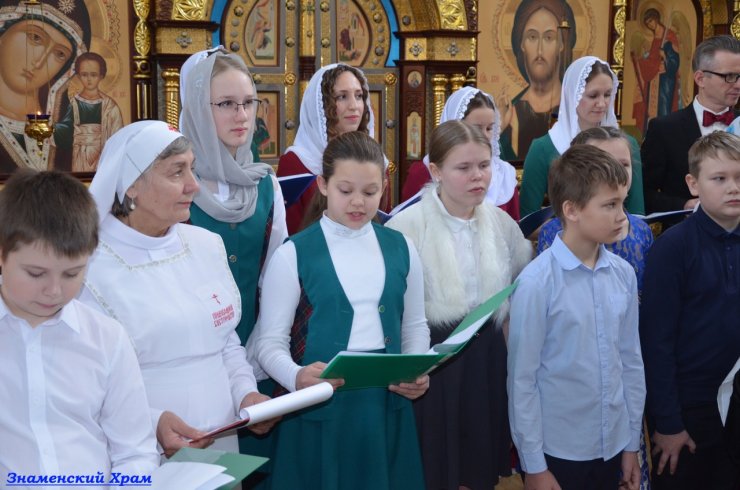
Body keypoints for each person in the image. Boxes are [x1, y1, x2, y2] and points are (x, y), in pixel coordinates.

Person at [80, 120, 277, 458]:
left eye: (192, 169)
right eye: (176, 172)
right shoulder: (87, 268)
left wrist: (246, 394)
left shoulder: (205, 245)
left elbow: (225, 343)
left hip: (221, 439)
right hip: (139, 447)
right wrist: (153, 422)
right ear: (132, 185)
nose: (193, 185)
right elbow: (86, 381)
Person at [257, 131, 430, 489]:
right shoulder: (293, 254)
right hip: (318, 410)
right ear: (323, 184)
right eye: (345, 190)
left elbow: (415, 325)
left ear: (384, 188)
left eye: (370, 192)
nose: (358, 202)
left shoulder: (402, 247)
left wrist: (416, 369)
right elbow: (269, 344)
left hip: (385, 407)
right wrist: (296, 377)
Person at [387, 120, 532, 489]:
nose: (477, 176)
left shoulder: (502, 224)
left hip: (486, 358)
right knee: (435, 466)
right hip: (433, 361)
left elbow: (517, 295)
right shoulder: (406, 227)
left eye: (484, 165)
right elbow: (391, 309)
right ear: (436, 171)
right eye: (463, 167)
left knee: (477, 467)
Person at [0, 169, 158, 484]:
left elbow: (135, 452)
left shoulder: (106, 338)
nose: (54, 291)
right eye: (36, 274)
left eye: (72, 274)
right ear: (2, 255)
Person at [508, 144, 646, 490]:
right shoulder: (537, 283)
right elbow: (522, 381)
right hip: (559, 450)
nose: (622, 216)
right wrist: (534, 466)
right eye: (609, 205)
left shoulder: (623, 274)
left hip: (613, 444)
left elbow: (630, 362)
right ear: (571, 210)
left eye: (623, 203)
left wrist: (631, 443)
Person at [640, 131, 740, 490]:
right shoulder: (673, 248)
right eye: (720, 179)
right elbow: (656, 343)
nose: (733, 188)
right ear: (693, 184)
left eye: (739, 177)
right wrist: (668, 422)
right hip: (688, 407)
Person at [520, 56, 645, 217]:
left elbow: (637, 212)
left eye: (607, 94)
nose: (602, 103)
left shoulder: (628, 144)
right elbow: (528, 219)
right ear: (573, 95)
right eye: (593, 96)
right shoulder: (543, 148)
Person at [538, 126, 654, 292]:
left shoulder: (641, 231)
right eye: (604, 163)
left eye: (624, 164)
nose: (616, 172)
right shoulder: (555, 232)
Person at [277, 63, 389, 234]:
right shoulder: (297, 162)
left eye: (359, 96)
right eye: (342, 97)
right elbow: (290, 231)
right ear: (321, 105)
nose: (354, 106)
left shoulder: (376, 159)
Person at [641, 35, 740, 213]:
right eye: (730, 76)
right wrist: (684, 205)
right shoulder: (664, 129)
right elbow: (644, 194)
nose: (738, 85)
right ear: (700, 78)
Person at [400, 86, 521, 219]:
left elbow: (514, 226)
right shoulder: (422, 172)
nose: (485, 136)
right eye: (476, 128)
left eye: (489, 128)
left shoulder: (504, 175)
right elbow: (409, 222)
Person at [0, 0, 89, 172]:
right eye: (35, 37)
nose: (40, 62)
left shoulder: (66, 133)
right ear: (3, 32)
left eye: (60, 54)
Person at [498, 0, 576, 161]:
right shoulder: (509, 113)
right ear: (521, 44)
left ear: (562, 45)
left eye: (549, 37)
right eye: (532, 37)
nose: (540, 50)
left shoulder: (575, 108)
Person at [53, 52, 124, 172]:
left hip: (103, 155)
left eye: (93, 75)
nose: (89, 79)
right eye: (84, 74)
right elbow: (66, 130)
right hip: (80, 155)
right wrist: (50, 128)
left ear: (101, 76)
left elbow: (118, 135)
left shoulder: (110, 106)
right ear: (79, 76)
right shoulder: (74, 103)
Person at [631, 8, 681, 135]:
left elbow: (675, 62)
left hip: (666, 80)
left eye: (651, 21)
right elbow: (653, 58)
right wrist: (642, 59)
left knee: (663, 109)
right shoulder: (656, 38)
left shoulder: (669, 36)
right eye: (648, 23)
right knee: (652, 109)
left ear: (656, 19)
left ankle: (664, 135)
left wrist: (665, 56)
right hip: (654, 78)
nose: (650, 25)